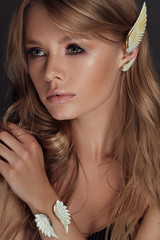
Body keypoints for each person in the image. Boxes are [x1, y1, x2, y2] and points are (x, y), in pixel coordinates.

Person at [0, 0, 160, 239]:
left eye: (74, 48)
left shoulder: (155, 171)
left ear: (127, 52)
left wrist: (41, 196)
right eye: (37, 52)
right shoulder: (16, 159)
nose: (50, 72)